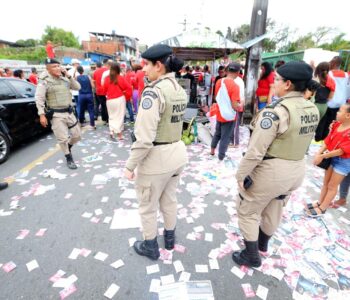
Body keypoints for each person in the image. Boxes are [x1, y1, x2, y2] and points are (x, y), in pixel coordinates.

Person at [233, 61, 319, 267]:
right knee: (274, 208)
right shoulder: (311, 108)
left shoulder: (276, 113)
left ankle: (252, 255)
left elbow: (255, 152)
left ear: (287, 84)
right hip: (296, 169)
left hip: (271, 172)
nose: (274, 83)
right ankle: (263, 245)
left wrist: (240, 175)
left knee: (248, 211)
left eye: (277, 80)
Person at [124, 44, 188, 260]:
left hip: (157, 158)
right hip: (177, 153)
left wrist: (130, 165)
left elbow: (144, 139)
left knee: (147, 206)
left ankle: (150, 246)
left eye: (147, 65)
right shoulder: (178, 88)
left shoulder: (154, 92)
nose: (143, 69)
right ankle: (169, 238)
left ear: (159, 66)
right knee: (169, 200)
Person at [35, 58, 81, 169]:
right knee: (62, 139)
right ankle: (68, 157)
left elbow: (77, 87)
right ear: (48, 69)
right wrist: (41, 114)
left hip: (69, 112)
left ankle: (68, 147)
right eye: (54, 66)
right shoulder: (44, 81)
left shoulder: (65, 78)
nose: (57, 68)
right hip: (56, 115)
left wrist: (68, 75)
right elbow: (39, 98)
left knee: (77, 135)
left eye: (58, 66)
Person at [308, 103, 350, 216]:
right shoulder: (336, 125)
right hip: (331, 157)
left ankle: (323, 208)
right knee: (326, 183)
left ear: (348, 115)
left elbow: (341, 151)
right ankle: (320, 202)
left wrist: (321, 156)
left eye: (340, 111)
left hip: (343, 162)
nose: (337, 112)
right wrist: (319, 152)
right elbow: (328, 140)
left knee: (332, 186)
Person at [210, 63, 241, 161]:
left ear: (227, 71)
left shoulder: (219, 81)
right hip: (229, 116)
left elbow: (216, 97)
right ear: (238, 73)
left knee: (217, 133)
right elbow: (234, 105)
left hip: (219, 113)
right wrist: (240, 106)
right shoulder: (235, 86)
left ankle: (212, 151)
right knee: (225, 137)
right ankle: (221, 156)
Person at [315, 56, 350, 141]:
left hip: (329, 101)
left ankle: (317, 139)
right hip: (340, 102)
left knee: (322, 122)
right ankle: (325, 139)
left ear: (332, 63)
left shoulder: (329, 74)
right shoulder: (346, 75)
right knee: (331, 122)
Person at [103, 62, 132, 140]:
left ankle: (111, 131)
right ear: (118, 69)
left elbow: (104, 90)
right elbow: (128, 88)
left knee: (111, 116)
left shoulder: (106, 78)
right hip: (119, 99)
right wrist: (127, 96)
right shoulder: (120, 78)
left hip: (109, 100)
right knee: (119, 116)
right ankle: (119, 135)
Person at [230, 64, 245, 148]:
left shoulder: (238, 80)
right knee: (232, 123)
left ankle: (235, 143)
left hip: (236, 103)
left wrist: (240, 104)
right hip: (234, 103)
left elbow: (241, 94)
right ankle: (232, 141)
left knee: (235, 124)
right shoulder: (236, 80)